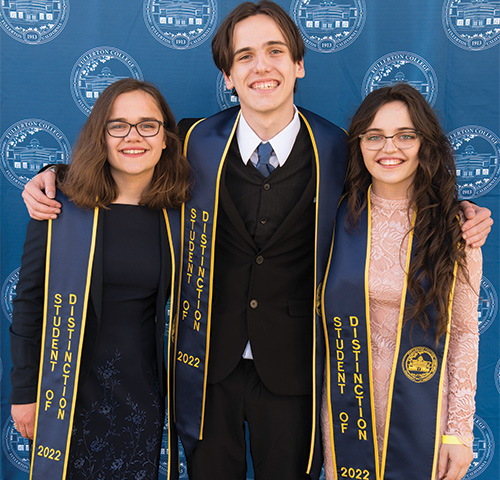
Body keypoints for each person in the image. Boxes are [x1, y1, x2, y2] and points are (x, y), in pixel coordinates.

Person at [20, 3, 492, 479]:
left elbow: (397, 189)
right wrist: (54, 175)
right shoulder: (193, 141)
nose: (261, 66)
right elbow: (125, 162)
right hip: (205, 369)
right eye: (244, 56)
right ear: (227, 75)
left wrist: (460, 213)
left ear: (299, 64)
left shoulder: (337, 148)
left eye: (275, 51)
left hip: (298, 373)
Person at [10, 78, 190, 480]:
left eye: (148, 125)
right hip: (67, 391)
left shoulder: (179, 214)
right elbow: (29, 303)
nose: (133, 136)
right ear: (101, 136)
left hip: (141, 395)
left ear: (165, 139)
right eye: (118, 125)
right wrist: (24, 392)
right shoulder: (60, 206)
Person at [320, 84, 482, 480]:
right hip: (344, 408)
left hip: (424, 412)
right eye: (374, 136)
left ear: (425, 143)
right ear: (359, 145)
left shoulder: (455, 229)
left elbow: (463, 333)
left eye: (405, 136)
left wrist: (459, 432)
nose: (388, 148)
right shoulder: (331, 218)